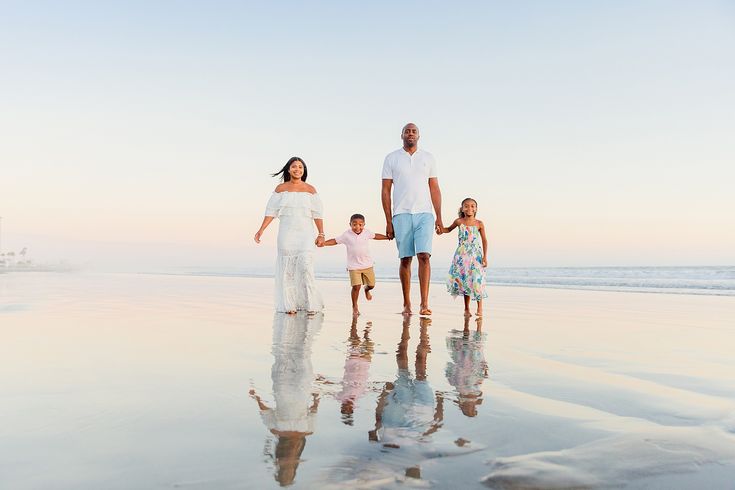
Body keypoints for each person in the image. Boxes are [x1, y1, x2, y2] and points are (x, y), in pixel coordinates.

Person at [381, 123, 443, 316]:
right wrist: (388, 220)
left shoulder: (428, 157)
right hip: (401, 213)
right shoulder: (391, 158)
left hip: (424, 213)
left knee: (424, 256)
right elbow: (385, 190)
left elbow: (434, 188)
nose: (410, 133)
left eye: (413, 131)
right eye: (407, 131)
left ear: (418, 136)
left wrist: (439, 217)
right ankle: (407, 304)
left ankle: (424, 303)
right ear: (401, 135)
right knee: (406, 259)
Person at [254, 157, 325, 313]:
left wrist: (321, 234)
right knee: (287, 270)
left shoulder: (310, 189)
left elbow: (317, 214)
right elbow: (271, 211)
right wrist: (261, 229)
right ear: (288, 169)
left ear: (304, 170)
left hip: (305, 234)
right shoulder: (281, 189)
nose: (297, 169)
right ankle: (289, 305)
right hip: (286, 234)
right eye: (294, 166)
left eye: (300, 167)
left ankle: (310, 304)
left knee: (306, 267)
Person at [320, 213, 389, 316]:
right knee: (356, 286)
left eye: (360, 224)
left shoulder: (367, 232)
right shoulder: (346, 235)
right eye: (354, 224)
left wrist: (387, 237)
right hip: (353, 266)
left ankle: (367, 290)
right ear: (350, 224)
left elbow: (376, 236)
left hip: (367, 265)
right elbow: (335, 241)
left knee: (371, 285)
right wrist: (324, 243)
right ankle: (355, 306)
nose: (358, 227)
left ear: (364, 224)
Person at [439, 197, 488, 317]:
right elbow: (447, 230)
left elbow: (485, 241)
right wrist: (440, 229)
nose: (469, 208)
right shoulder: (459, 222)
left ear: (476, 209)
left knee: (477, 280)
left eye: (472, 206)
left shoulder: (479, 223)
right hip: (462, 256)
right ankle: (466, 309)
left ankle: (479, 308)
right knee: (465, 280)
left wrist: (485, 257)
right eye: (466, 206)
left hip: (476, 256)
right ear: (462, 208)